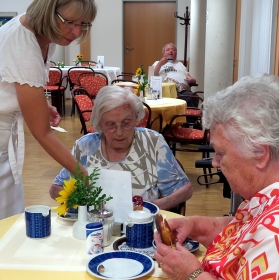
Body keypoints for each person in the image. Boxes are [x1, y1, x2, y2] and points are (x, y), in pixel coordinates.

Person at [154, 74, 279, 279]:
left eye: (221, 153)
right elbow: (242, 232)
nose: (214, 162)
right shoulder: (264, 195)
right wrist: (195, 226)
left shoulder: (275, 236)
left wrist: (191, 274)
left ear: (260, 154)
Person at [0, 0, 97, 220]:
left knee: (7, 211)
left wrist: (41, 105)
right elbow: (42, 133)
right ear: (48, 11)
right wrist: (85, 176)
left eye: (84, 24)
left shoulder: (46, 35)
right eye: (70, 22)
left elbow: (15, 84)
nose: (77, 31)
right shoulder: (21, 43)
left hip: (6, 134)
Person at [49, 86, 193, 211]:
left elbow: (185, 190)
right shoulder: (85, 146)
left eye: (126, 123)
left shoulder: (153, 142)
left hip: (141, 229)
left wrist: (154, 205)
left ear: (136, 117)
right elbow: (56, 189)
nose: (119, 132)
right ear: (99, 124)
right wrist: (84, 205)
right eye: (110, 125)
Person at [153, 43, 199, 107]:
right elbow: (152, 76)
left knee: (194, 97)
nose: (170, 51)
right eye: (168, 50)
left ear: (176, 53)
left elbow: (189, 77)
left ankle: (187, 116)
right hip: (167, 91)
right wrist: (160, 63)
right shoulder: (158, 63)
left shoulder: (180, 64)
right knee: (193, 97)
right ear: (164, 53)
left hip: (183, 91)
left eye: (173, 50)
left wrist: (193, 80)